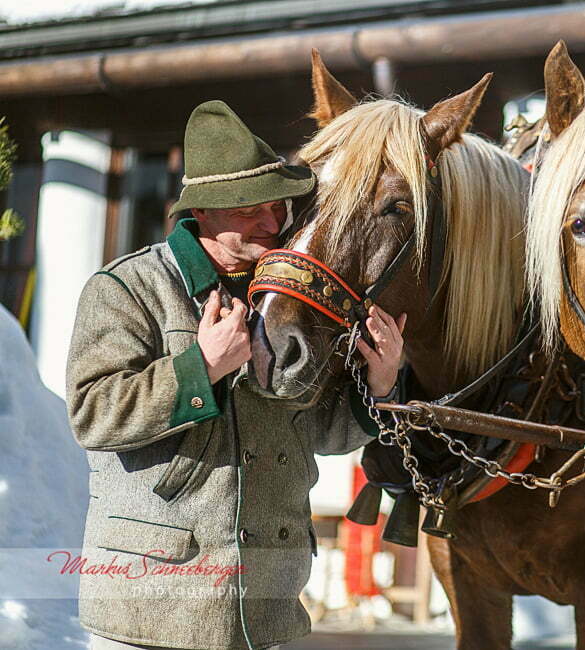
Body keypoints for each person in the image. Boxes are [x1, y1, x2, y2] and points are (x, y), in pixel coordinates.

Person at [65, 100, 404, 650]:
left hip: (265, 612)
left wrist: (382, 384)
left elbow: (320, 434)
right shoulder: (124, 288)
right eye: (253, 210)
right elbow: (93, 415)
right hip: (151, 613)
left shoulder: (286, 304)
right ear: (206, 212)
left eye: (280, 208)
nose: (274, 224)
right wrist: (203, 369)